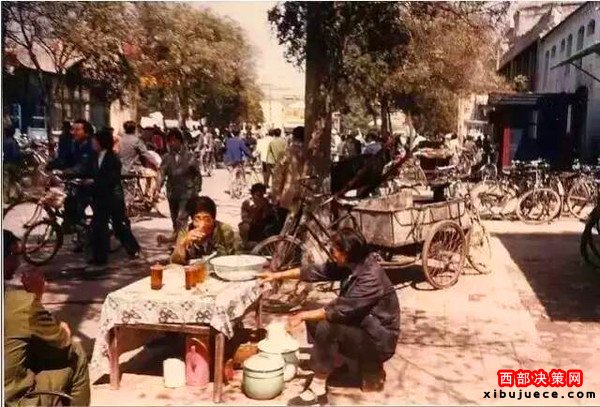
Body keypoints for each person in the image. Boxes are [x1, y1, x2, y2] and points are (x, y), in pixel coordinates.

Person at [259, 228, 399, 404]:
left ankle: (317, 387)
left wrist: (301, 316)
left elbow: (338, 310)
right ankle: (335, 362)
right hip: (363, 327)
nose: (331, 253)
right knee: (314, 313)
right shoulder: (352, 264)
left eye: (334, 250)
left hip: (379, 342)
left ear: (346, 252)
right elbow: (314, 271)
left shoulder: (370, 277)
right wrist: (276, 275)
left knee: (327, 325)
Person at [4, 230, 91, 406]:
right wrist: (35, 297)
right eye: (15, 254)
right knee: (77, 354)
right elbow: (63, 344)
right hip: (11, 400)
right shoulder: (20, 303)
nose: (19, 262)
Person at [88, 127, 141, 266]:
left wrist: (94, 182)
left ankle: (133, 248)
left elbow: (112, 179)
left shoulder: (113, 159)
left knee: (118, 226)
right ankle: (100, 257)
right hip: (100, 197)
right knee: (98, 226)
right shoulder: (94, 157)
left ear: (101, 142)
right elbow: (87, 171)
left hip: (113, 197)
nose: (93, 143)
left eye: (95, 140)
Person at [158, 129, 202, 235]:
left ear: (180, 141)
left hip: (187, 192)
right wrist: (158, 186)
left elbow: (197, 174)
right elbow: (162, 173)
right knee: (175, 220)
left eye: (174, 140)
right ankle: (178, 238)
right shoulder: (166, 158)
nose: (171, 143)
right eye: (169, 141)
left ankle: (181, 241)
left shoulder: (189, 156)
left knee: (181, 219)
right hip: (172, 193)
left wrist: (196, 189)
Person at [171, 196, 238, 264]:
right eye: (197, 218)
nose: (202, 224)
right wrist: (183, 244)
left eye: (207, 219)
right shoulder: (185, 232)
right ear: (192, 220)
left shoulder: (224, 231)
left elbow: (233, 258)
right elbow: (175, 261)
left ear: (213, 219)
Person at [271, 126, 306, 222]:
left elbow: (278, 176)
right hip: (305, 196)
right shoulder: (309, 154)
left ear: (293, 137)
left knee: (283, 225)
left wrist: (275, 196)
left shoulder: (286, 153)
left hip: (288, 196)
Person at [239, 183, 278, 249]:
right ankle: (245, 243)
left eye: (261, 195)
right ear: (252, 194)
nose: (260, 197)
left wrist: (265, 208)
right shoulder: (247, 203)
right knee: (244, 226)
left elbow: (270, 216)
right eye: (258, 195)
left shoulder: (265, 202)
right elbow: (244, 217)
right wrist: (253, 216)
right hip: (251, 224)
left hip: (262, 225)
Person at [3, 126, 22, 201]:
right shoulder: (13, 142)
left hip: (5, 163)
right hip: (13, 164)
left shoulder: (4, 142)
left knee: (6, 181)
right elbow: (15, 154)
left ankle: (5, 198)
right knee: (15, 180)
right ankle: (16, 196)